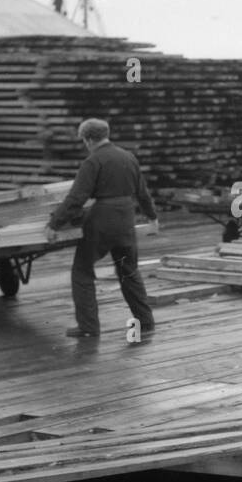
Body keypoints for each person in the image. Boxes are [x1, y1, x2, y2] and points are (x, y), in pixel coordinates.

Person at [47, 118, 158, 339]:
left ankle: (88, 327)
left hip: (102, 220)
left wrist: (55, 223)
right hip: (126, 217)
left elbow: (77, 197)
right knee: (129, 270)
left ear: (88, 139)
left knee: (82, 270)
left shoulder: (93, 161)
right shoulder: (129, 157)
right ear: (106, 134)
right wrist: (152, 217)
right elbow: (143, 193)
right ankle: (145, 321)